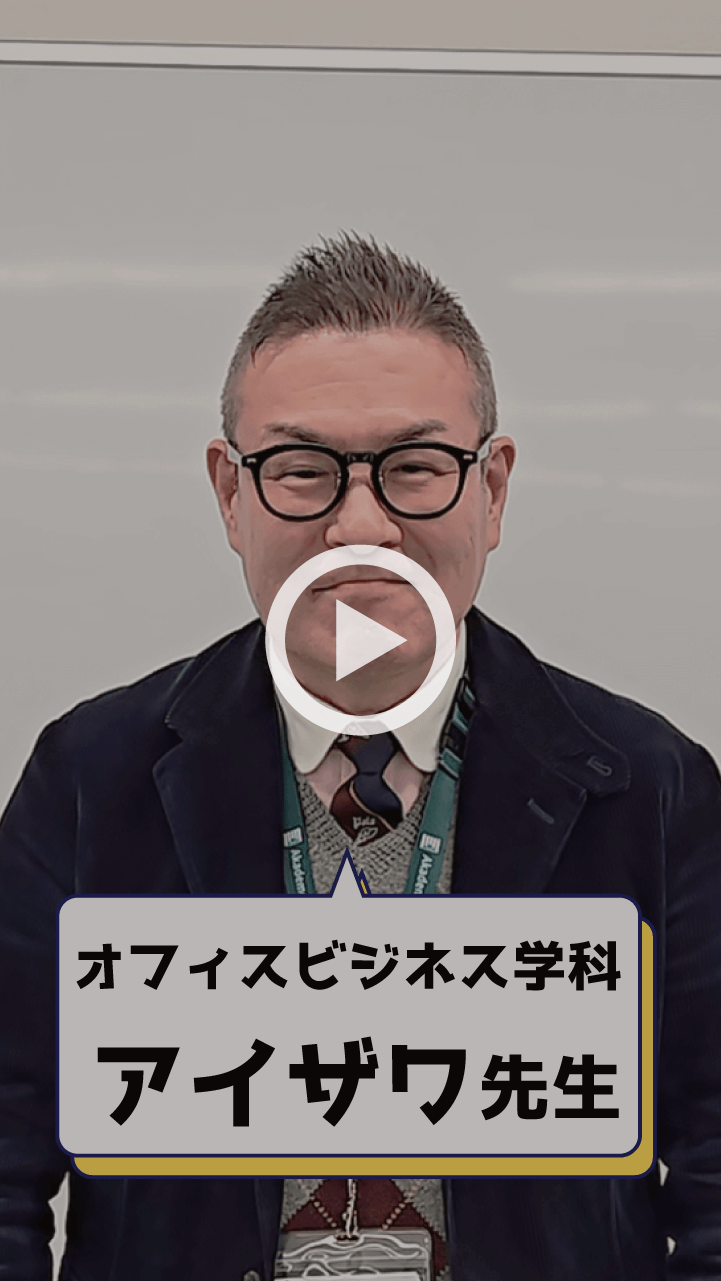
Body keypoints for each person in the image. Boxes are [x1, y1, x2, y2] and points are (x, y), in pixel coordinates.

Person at [0, 234, 720, 1281]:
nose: (361, 525)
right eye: (302, 471)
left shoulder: (648, 785)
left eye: (415, 469)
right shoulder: (90, 776)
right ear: (230, 493)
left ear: (493, 489)